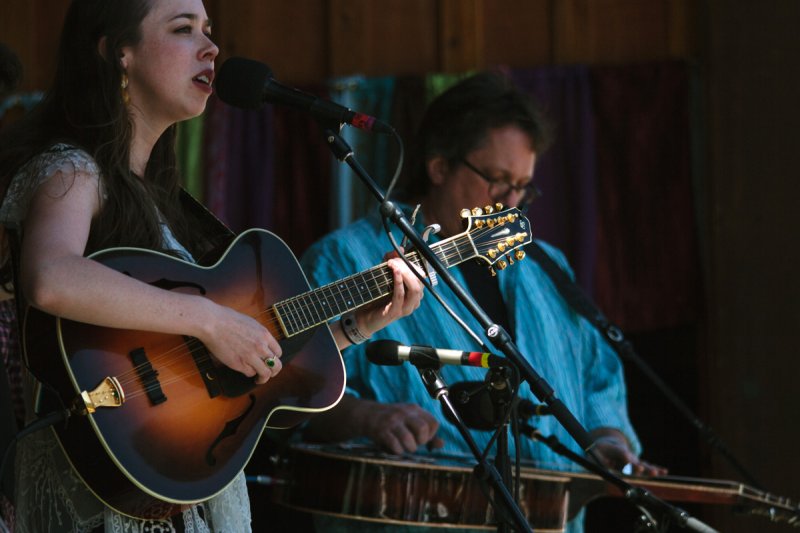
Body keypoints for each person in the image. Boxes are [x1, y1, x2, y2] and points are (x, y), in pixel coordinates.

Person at [0, 1, 423, 532]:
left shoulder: (164, 199)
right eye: (183, 29)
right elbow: (51, 278)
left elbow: (225, 372)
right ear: (118, 53)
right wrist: (211, 320)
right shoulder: (72, 169)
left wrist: (356, 326)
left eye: (208, 29)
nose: (212, 48)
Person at [299, 72, 666, 533]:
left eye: (523, 187)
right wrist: (363, 416)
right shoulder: (345, 259)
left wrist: (606, 439)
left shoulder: (547, 267)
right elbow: (293, 388)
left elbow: (597, 380)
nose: (513, 202)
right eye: (498, 181)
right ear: (439, 167)